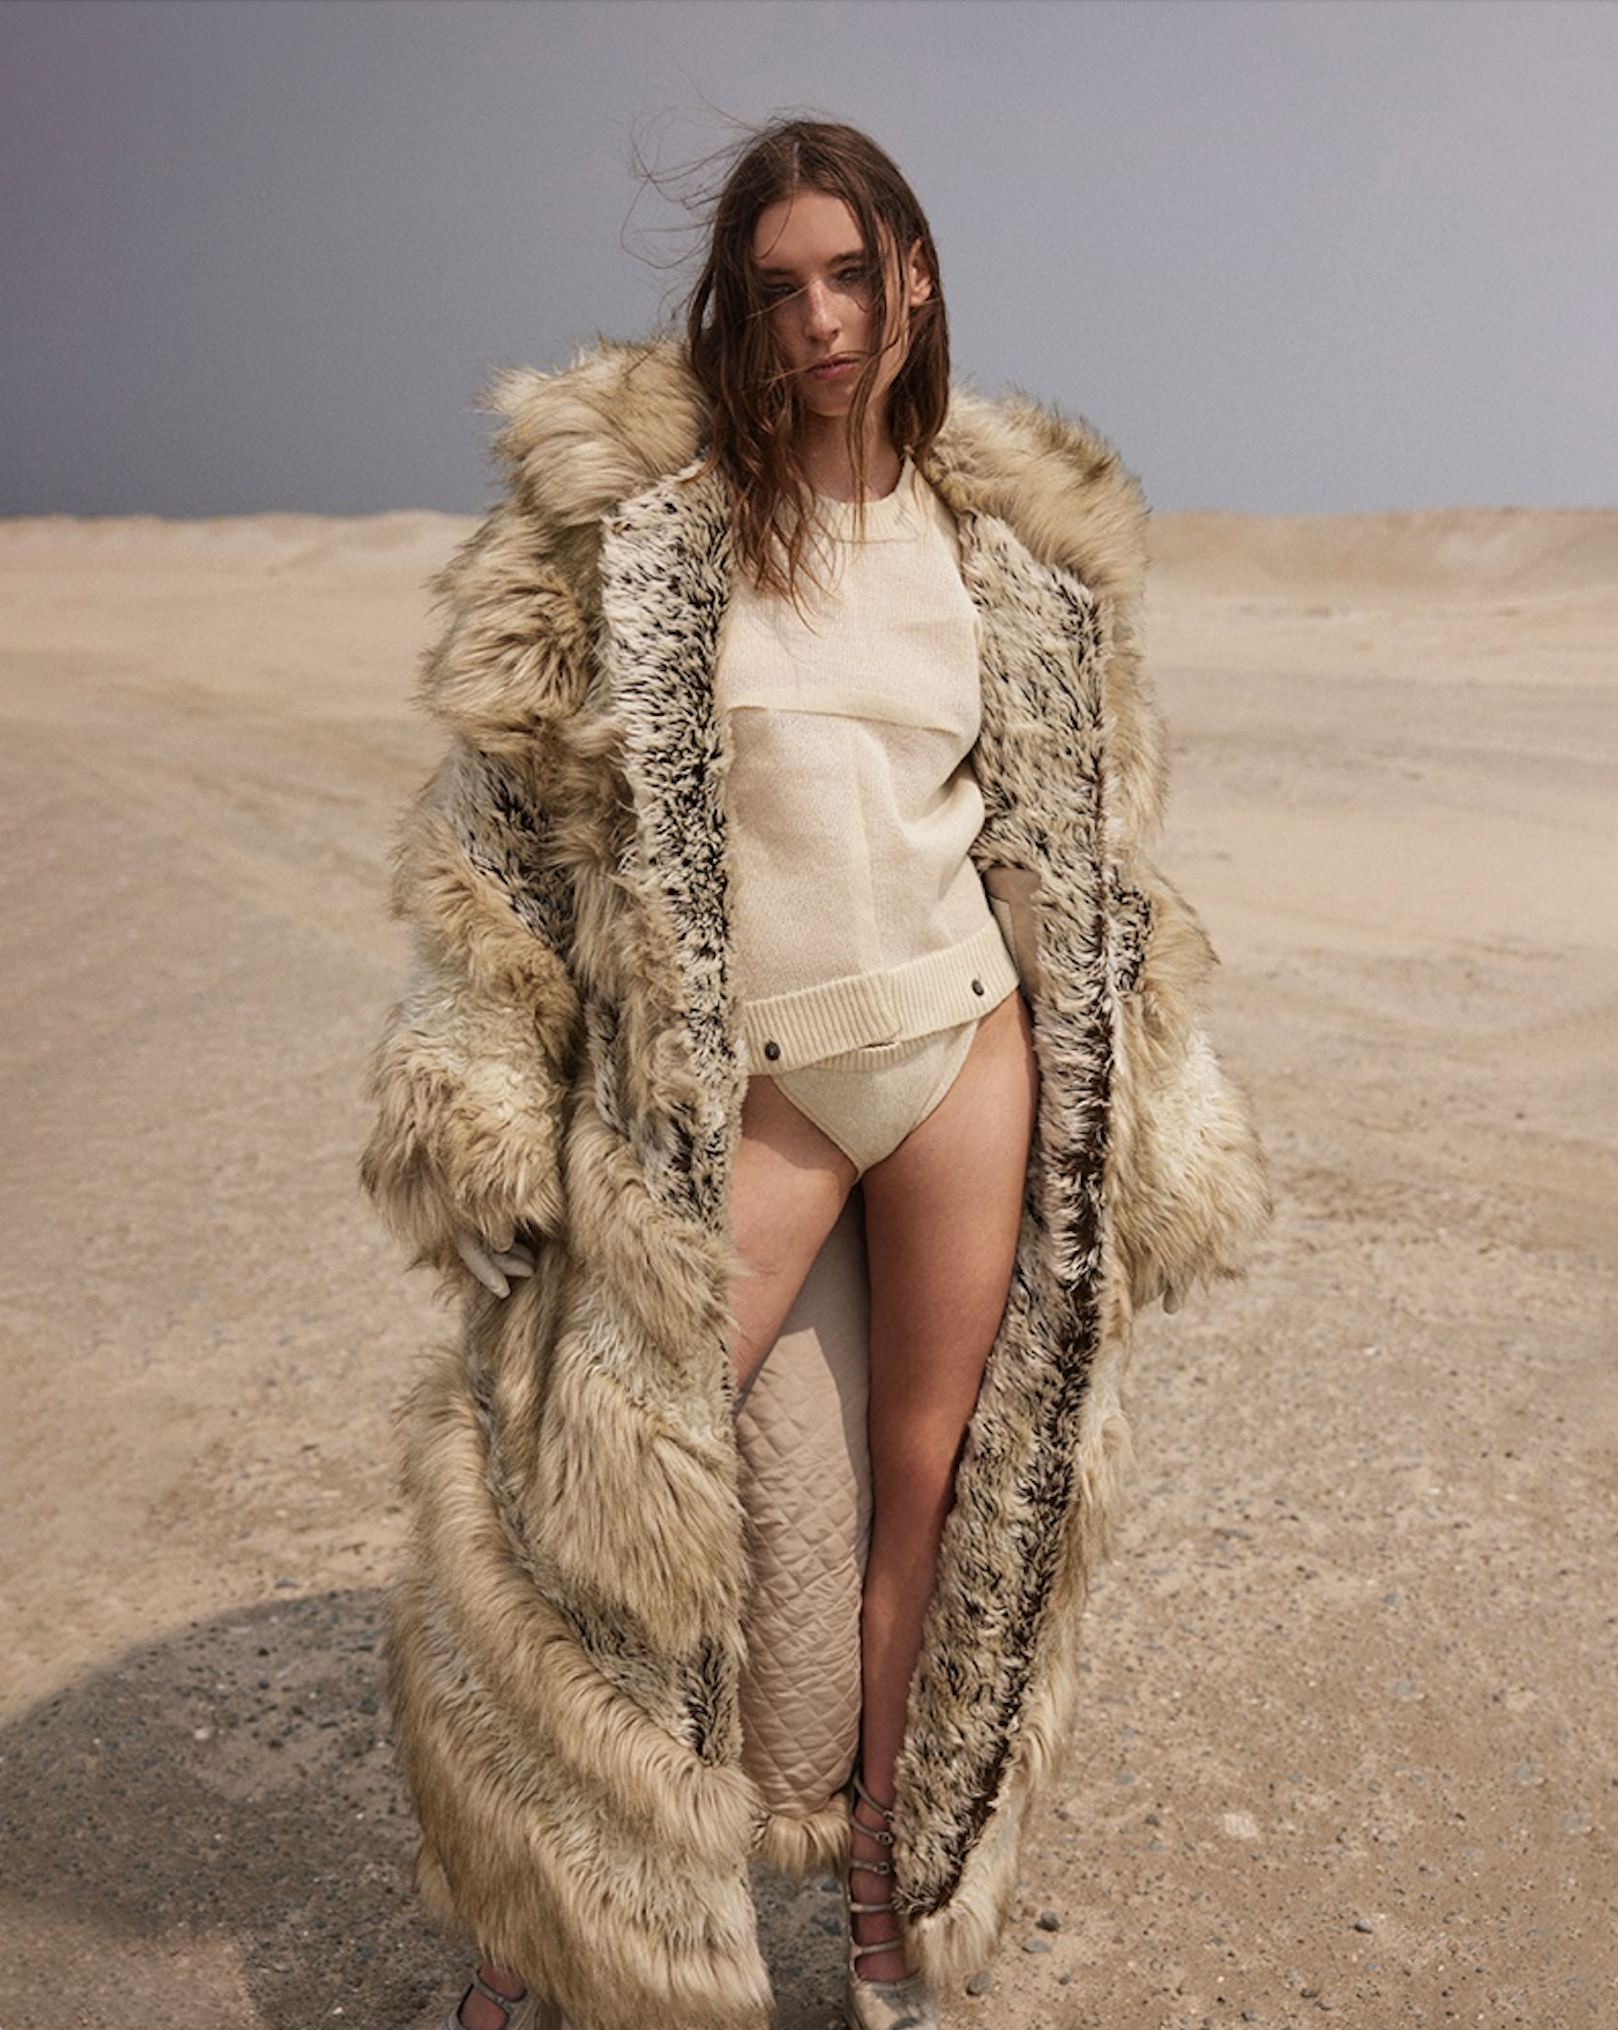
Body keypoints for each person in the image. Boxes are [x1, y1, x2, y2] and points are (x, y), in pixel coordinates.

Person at [363, 118, 1267, 2030]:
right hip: (753, 1085)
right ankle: (540, 1921)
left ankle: (879, 1906)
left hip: (957, 1055)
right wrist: (486, 1106)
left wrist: (1158, 1123)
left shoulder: (1008, 555)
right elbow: (502, 832)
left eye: (850, 276)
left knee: (938, 1498)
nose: (820, 321)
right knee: (608, 1492)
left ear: (912, 275)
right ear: (741, 308)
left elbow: (1090, 861)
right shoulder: (653, 536)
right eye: (778, 290)